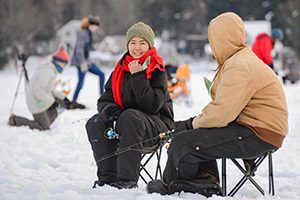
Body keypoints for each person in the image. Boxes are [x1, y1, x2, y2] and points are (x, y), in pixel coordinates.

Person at [147, 12, 288, 197]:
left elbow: (221, 114)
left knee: (183, 142)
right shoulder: (239, 59)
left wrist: (189, 124)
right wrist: (193, 124)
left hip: (259, 133)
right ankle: (204, 179)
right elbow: (223, 111)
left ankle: (172, 184)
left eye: (213, 39)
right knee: (195, 135)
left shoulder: (239, 65)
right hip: (256, 128)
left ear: (222, 39)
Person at [85, 22, 174, 189]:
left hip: (156, 126)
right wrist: (115, 113)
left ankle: (127, 181)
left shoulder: (157, 69)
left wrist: (138, 76)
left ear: (149, 45)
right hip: (126, 124)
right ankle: (108, 179)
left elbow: (152, 106)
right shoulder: (120, 70)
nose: (137, 47)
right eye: (133, 42)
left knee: (130, 116)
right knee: (96, 122)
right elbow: (104, 101)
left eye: (142, 42)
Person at [8, 47, 74, 130]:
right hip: (35, 102)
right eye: (64, 64)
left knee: (58, 106)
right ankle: (15, 120)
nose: (64, 67)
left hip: (42, 99)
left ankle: (45, 118)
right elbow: (38, 91)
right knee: (44, 127)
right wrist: (52, 103)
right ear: (59, 62)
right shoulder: (47, 72)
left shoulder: (52, 71)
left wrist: (64, 98)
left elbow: (51, 89)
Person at [71, 15, 105, 108]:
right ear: (90, 25)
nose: (96, 28)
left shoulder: (88, 33)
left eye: (97, 26)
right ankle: (73, 101)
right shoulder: (83, 33)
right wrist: (82, 62)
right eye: (95, 25)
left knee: (101, 74)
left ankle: (103, 97)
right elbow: (79, 49)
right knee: (81, 82)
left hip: (86, 61)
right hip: (81, 62)